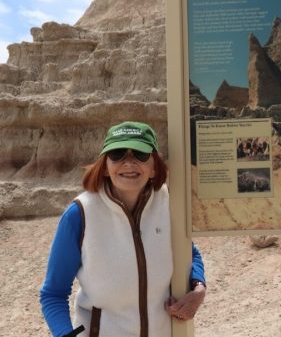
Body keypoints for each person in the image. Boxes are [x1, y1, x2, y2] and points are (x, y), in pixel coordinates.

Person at [40, 121, 206, 337]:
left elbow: (189, 253)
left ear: (154, 167)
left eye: (140, 154)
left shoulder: (169, 204)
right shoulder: (80, 214)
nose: (129, 163)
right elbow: (53, 294)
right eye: (118, 154)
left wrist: (199, 287)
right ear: (106, 167)